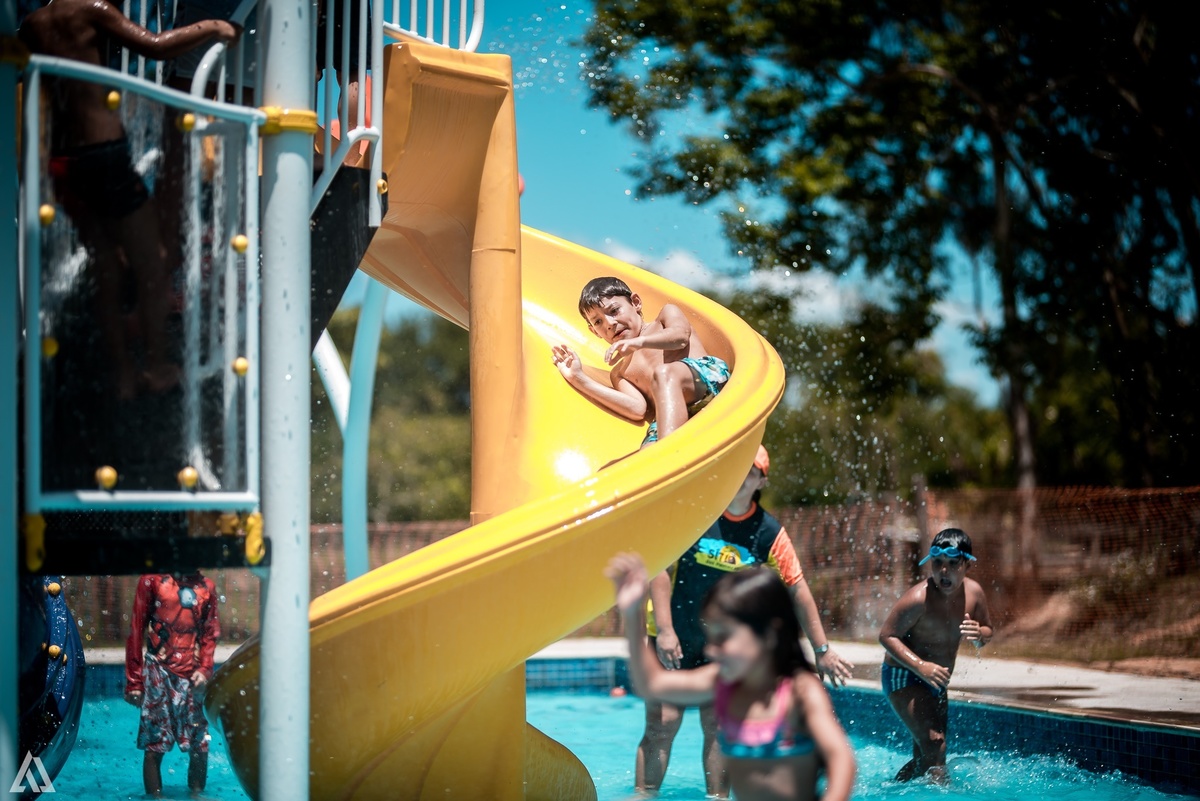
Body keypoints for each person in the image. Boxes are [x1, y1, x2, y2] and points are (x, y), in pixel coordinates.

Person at [19, 0, 240, 399]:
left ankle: (121, 373)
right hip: (104, 156)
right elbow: (156, 45)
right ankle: (156, 366)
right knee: (152, 262)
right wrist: (211, 27)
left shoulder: (35, 22)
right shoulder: (92, 9)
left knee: (106, 265)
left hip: (64, 161)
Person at [639, 445, 855, 798]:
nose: (740, 477)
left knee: (717, 725)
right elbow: (660, 567)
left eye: (750, 472)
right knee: (662, 725)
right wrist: (664, 630)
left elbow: (797, 589)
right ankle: (643, 794)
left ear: (761, 481)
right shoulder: (696, 512)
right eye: (736, 468)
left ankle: (717, 797)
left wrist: (822, 649)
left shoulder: (768, 533)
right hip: (674, 636)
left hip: (727, 647)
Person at [607, 552, 856, 801]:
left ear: (768, 634)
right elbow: (651, 685)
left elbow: (842, 760)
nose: (711, 649)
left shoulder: (799, 690)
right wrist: (632, 614)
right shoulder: (723, 682)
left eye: (723, 637)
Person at [552, 276, 729, 445]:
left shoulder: (665, 317)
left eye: (614, 311)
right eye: (598, 322)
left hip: (708, 381)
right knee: (646, 452)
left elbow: (680, 336)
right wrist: (579, 378)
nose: (609, 323)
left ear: (636, 302)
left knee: (664, 374)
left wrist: (638, 343)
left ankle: (666, 451)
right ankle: (662, 461)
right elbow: (637, 409)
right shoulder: (619, 373)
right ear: (594, 332)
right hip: (675, 416)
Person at [878, 528, 993, 783]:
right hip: (903, 675)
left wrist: (979, 635)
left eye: (953, 564)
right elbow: (886, 635)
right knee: (936, 744)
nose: (944, 571)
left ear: (968, 565)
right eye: (938, 563)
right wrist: (921, 667)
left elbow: (987, 631)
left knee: (927, 753)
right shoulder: (919, 598)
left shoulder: (974, 594)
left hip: (937, 680)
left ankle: (895, 792)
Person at [124, 571, 221, 797]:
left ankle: (197, 795)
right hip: (158, 672)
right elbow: (136, 629)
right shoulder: (152, 581)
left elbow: (209, 634)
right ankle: (154, 798)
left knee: (200, 746)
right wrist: (134, 681)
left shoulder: (206, 587)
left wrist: (205, 670)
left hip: (193, 677)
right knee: (154, 746)